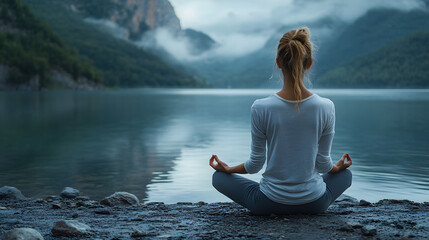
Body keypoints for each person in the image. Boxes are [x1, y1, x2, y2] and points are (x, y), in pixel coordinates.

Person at [209, 27, 352, 215]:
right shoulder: (326, 106)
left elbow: (255, 165)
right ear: (309, 63)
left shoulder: (260, 107)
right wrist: (337, 167)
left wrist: (228, 169)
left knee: (217, 178)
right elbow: (323, 165)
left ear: (278, 63)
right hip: (315, 203)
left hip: (267, 203)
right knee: (346, 175)